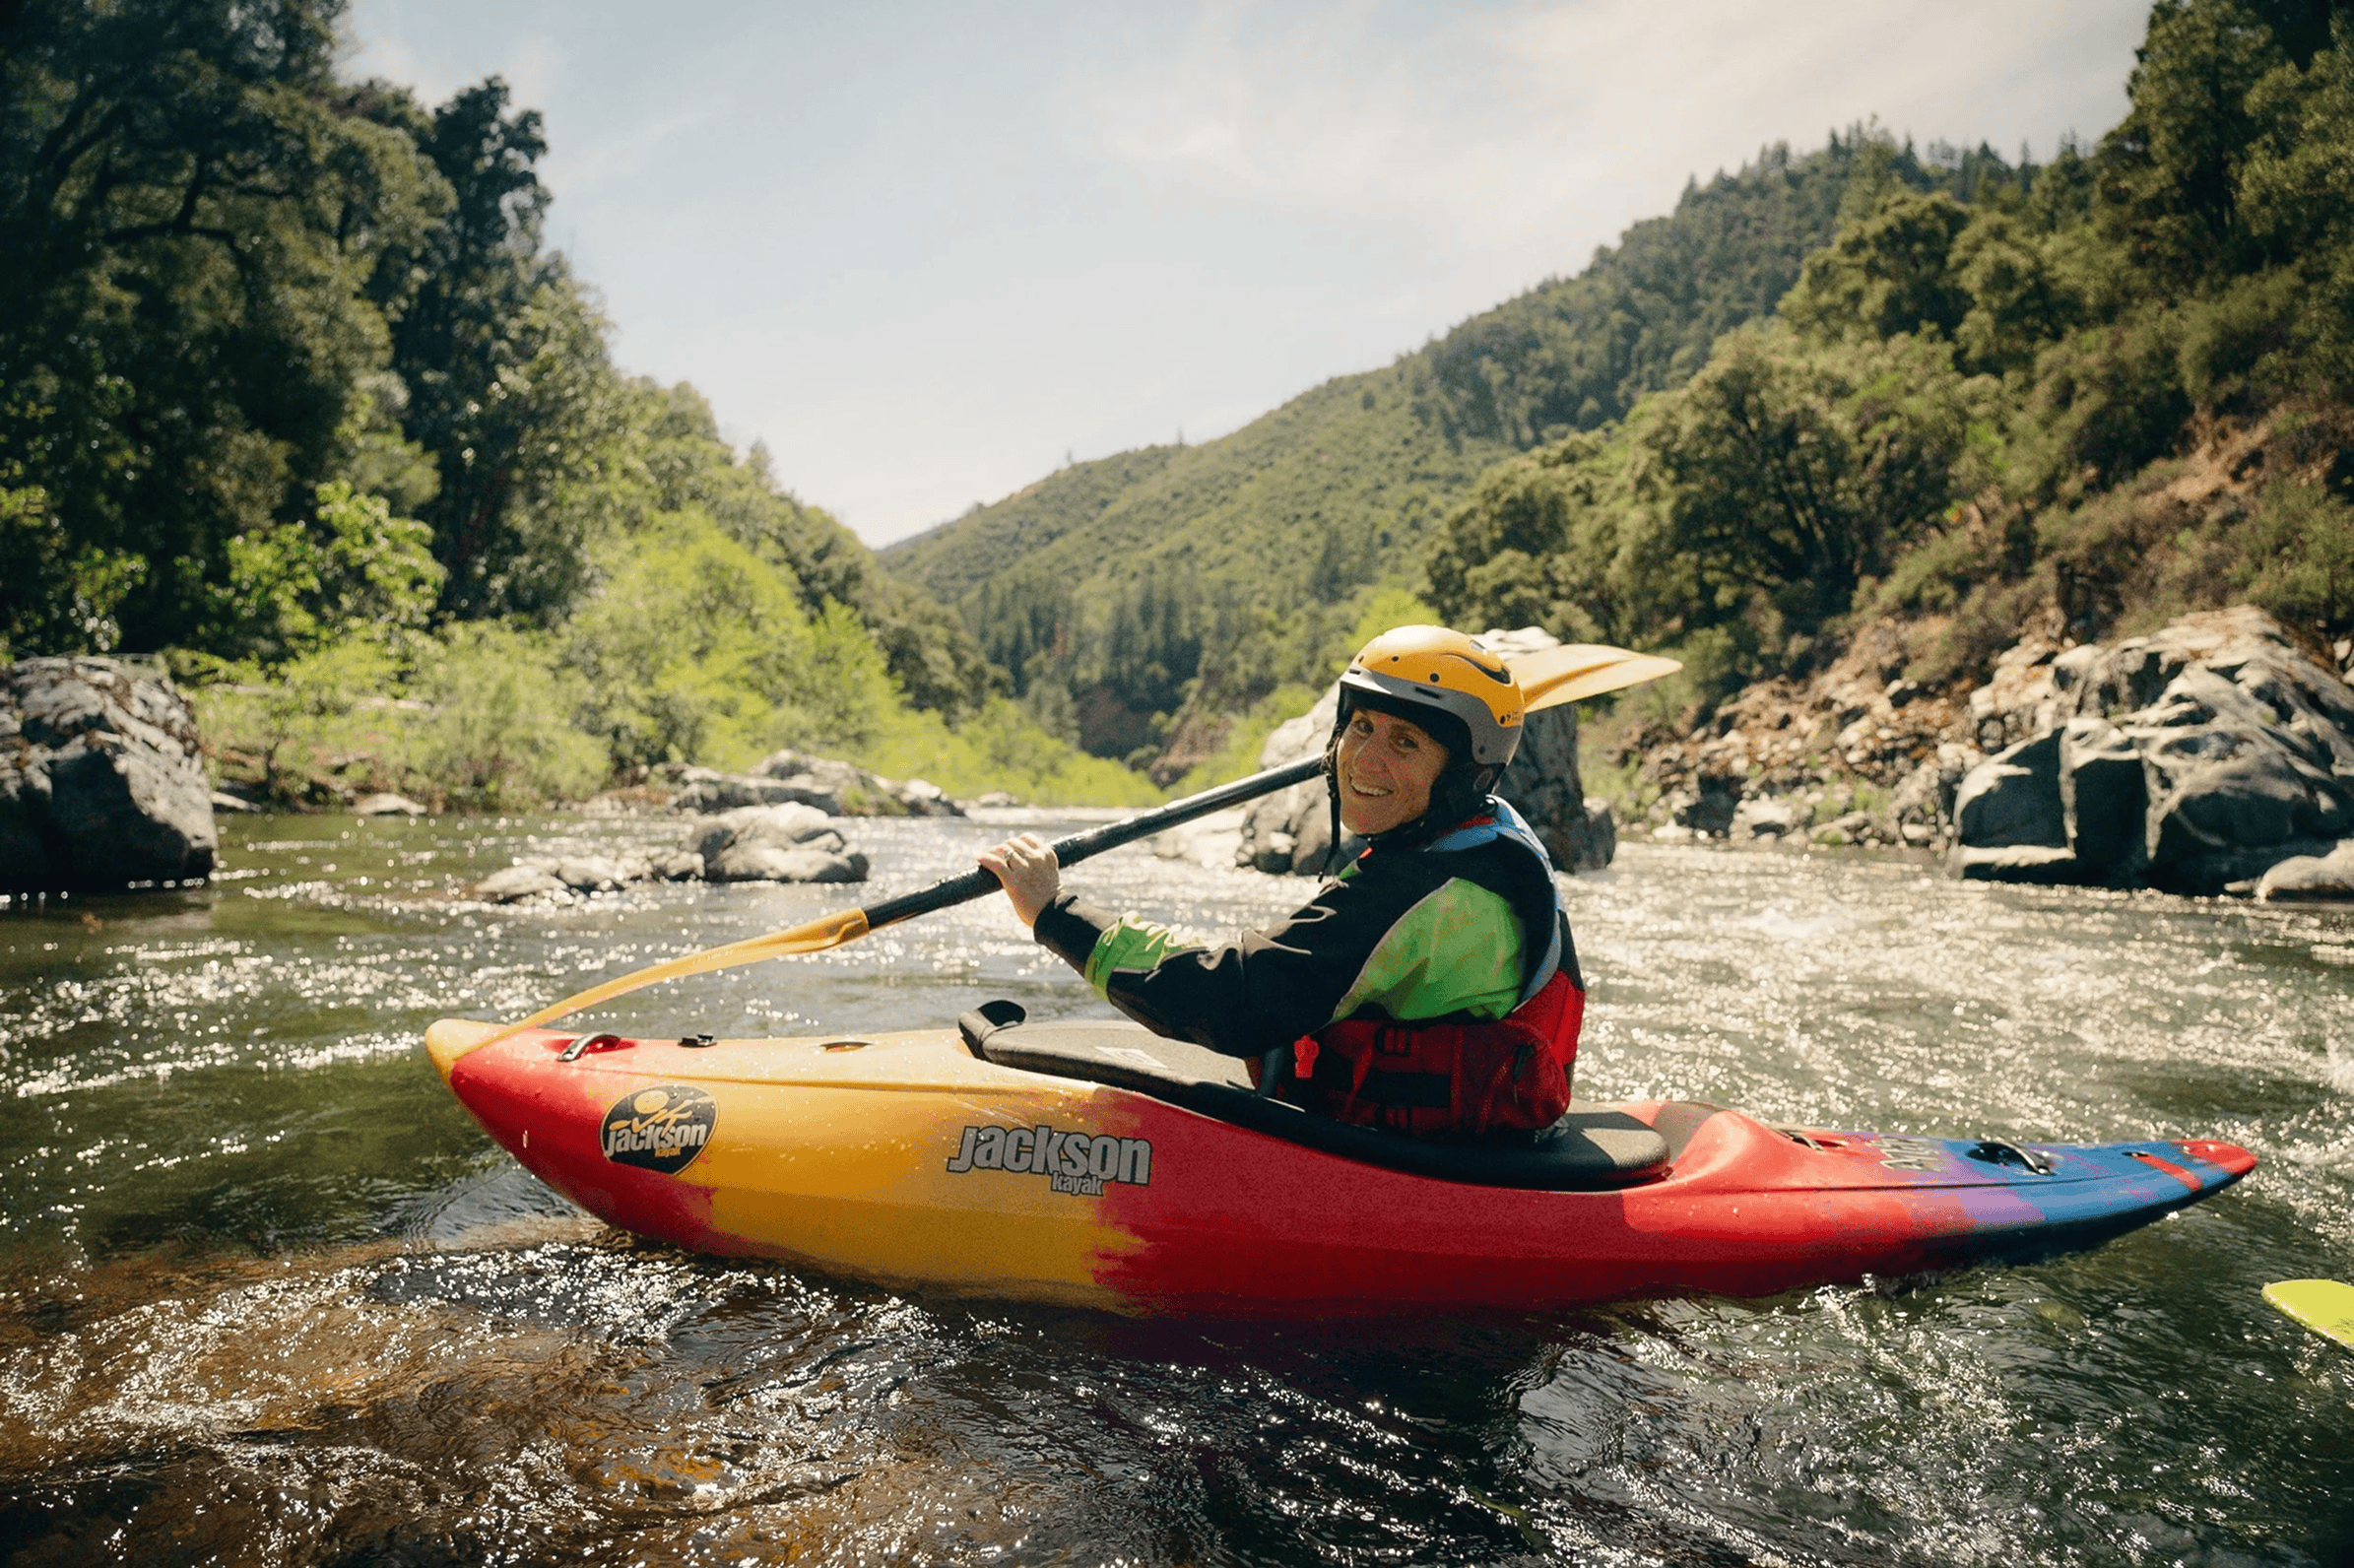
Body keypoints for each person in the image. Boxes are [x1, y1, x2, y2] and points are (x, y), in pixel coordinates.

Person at [979, 625, 1585, 1140]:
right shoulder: (1490, 836)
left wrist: (1056, 913)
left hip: (1424, 1165)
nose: (1366, 760)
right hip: (1463, 1131)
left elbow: (1234, 999)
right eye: (1363, 727)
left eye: (1406, 742)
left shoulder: (1424, 891)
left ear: (1461, 774)